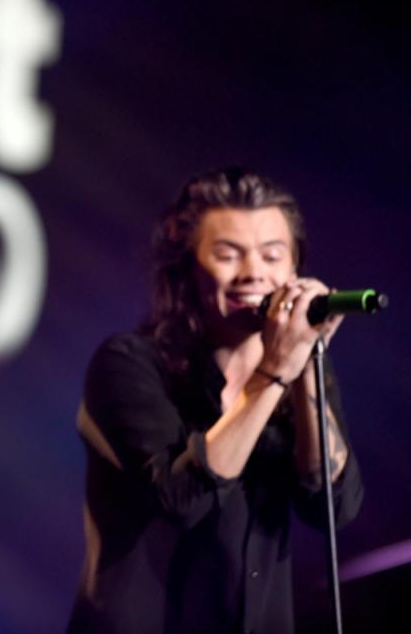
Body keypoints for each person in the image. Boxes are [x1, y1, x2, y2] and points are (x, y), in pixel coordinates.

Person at [68, 168, 364, 634]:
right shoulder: (129, 364)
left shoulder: (299, 367)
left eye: (272, 255)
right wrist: (273, 373)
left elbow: (334, 505)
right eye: (228, 254)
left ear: (294, 269)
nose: (254, 273)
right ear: (187, 270)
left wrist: (305, 365)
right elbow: (181, 499)